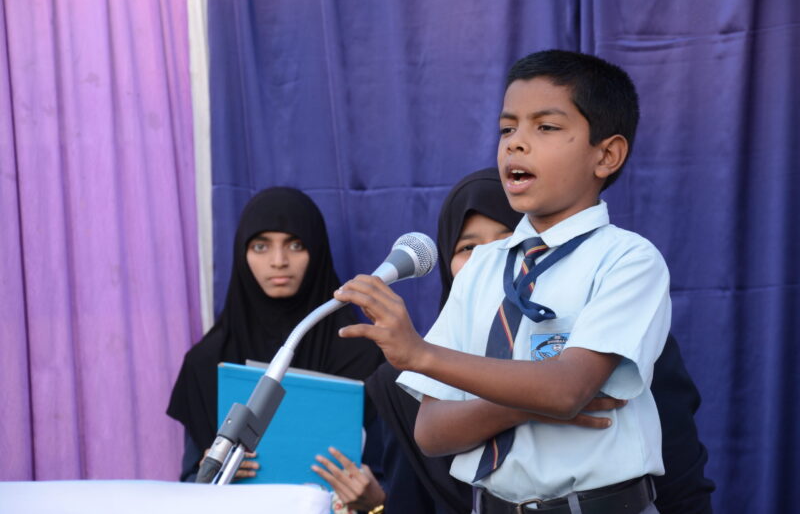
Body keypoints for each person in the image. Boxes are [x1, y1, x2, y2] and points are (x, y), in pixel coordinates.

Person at [335, 50, 676, 513]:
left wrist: (421, 354)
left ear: (607, 155)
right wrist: (524, 407)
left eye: (546, 127)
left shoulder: (628, 260)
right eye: (507, 128)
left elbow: (566, 389)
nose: (516, 143)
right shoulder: (480, 267)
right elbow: (431, 432)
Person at [313, 168, 630, 512]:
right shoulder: (400, 382)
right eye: (468, 247)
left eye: (506, 239)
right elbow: (419, 468)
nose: (486, 257)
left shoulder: (599, 327)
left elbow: (677, 468)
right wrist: (528, 405)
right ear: (449, 264)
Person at [167, 187, 383, 482]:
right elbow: (190, 479)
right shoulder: (206, 362)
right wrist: (208, 474)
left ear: (317, 253)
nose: (278, 260)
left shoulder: (361, 356)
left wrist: (372, 502)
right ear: (242, 254)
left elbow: (387, 478)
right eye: (261, 246)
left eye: (295, 245)